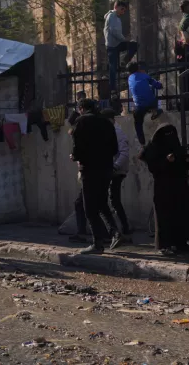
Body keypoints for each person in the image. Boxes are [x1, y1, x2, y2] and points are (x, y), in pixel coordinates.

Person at [72, 99, 122, 255]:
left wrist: (75, 156)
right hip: (106, 169)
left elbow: (77, 147)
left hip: (90, 169)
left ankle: (97, 243)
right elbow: (115, 148)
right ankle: (115, 232)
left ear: (81, 109)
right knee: (101, 203)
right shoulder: (107, 123)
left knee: (90, 207)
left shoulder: (81, 122)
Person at [140, 123, 189, 256]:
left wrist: (188, 161)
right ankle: (164, 245)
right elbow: (153, 167)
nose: (170, 138)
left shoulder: (176, 147)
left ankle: (181, 243)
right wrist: (166, 161)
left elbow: (182, 165)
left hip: (179, 186)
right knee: (164, 217)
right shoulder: (153, 149)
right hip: (163, 188)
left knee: (181, 215)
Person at [102, 108, 132, 239]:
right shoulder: (112, 131)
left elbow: (124, 153)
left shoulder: (117, 132)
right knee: (113, 200)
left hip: (116, 171)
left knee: (114, 200)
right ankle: (122, 228)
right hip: (113, 170)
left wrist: (115, 167)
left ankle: (124, 228)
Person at [105, 0, 138, 94]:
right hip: (112, 46)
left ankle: (123, 62)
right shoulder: (111, 16)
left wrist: (124, 40)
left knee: (134, 45)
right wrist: (124, 39)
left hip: (117, 43)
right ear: (116, 7)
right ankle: (112, 89)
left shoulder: (118, 18)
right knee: (113, 67)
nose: (123, 11)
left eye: (124, 10)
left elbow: (117, 32)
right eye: (122, 9)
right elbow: (113, 31)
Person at [127, 62, 162, 146]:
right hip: (151, 102)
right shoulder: (144, 75)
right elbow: (157, 85)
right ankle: (155, 110)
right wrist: (160, 85)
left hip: (140, 106)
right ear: (138, 68)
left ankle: (142, 142)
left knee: (138, 123)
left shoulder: (129, 78)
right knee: (151, 92)